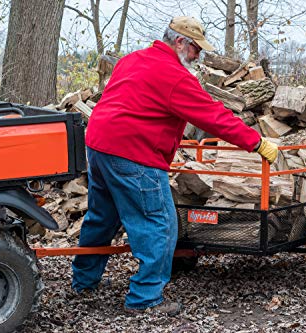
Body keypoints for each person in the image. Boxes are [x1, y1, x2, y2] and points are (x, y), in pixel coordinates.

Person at [71, 16, 278, 316]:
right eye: (195, 49)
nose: (198, 56)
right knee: (160, 224)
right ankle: (144, 299)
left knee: (101, 218)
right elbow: (213, 117)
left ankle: (83, 282)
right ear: (180, 42)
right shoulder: (175, 76)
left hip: (100, 148)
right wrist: (256, 142)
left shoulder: (131, 60)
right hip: (134, 155)